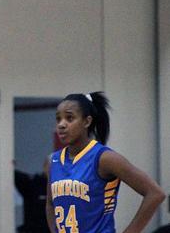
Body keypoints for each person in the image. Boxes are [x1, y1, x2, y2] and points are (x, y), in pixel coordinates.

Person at [46, 92, 165, 233]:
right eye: (58, 119)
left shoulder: (104, 158)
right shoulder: (54, 161)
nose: (61, 124)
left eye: (69, 118)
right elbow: (50, 203)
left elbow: (155, 194)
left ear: (87, 121)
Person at [14, 158, 49, 233]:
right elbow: (15, 175)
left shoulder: (62, 186)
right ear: (45, 166)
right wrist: (10, 166)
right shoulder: (33, 183)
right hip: (33, 229)